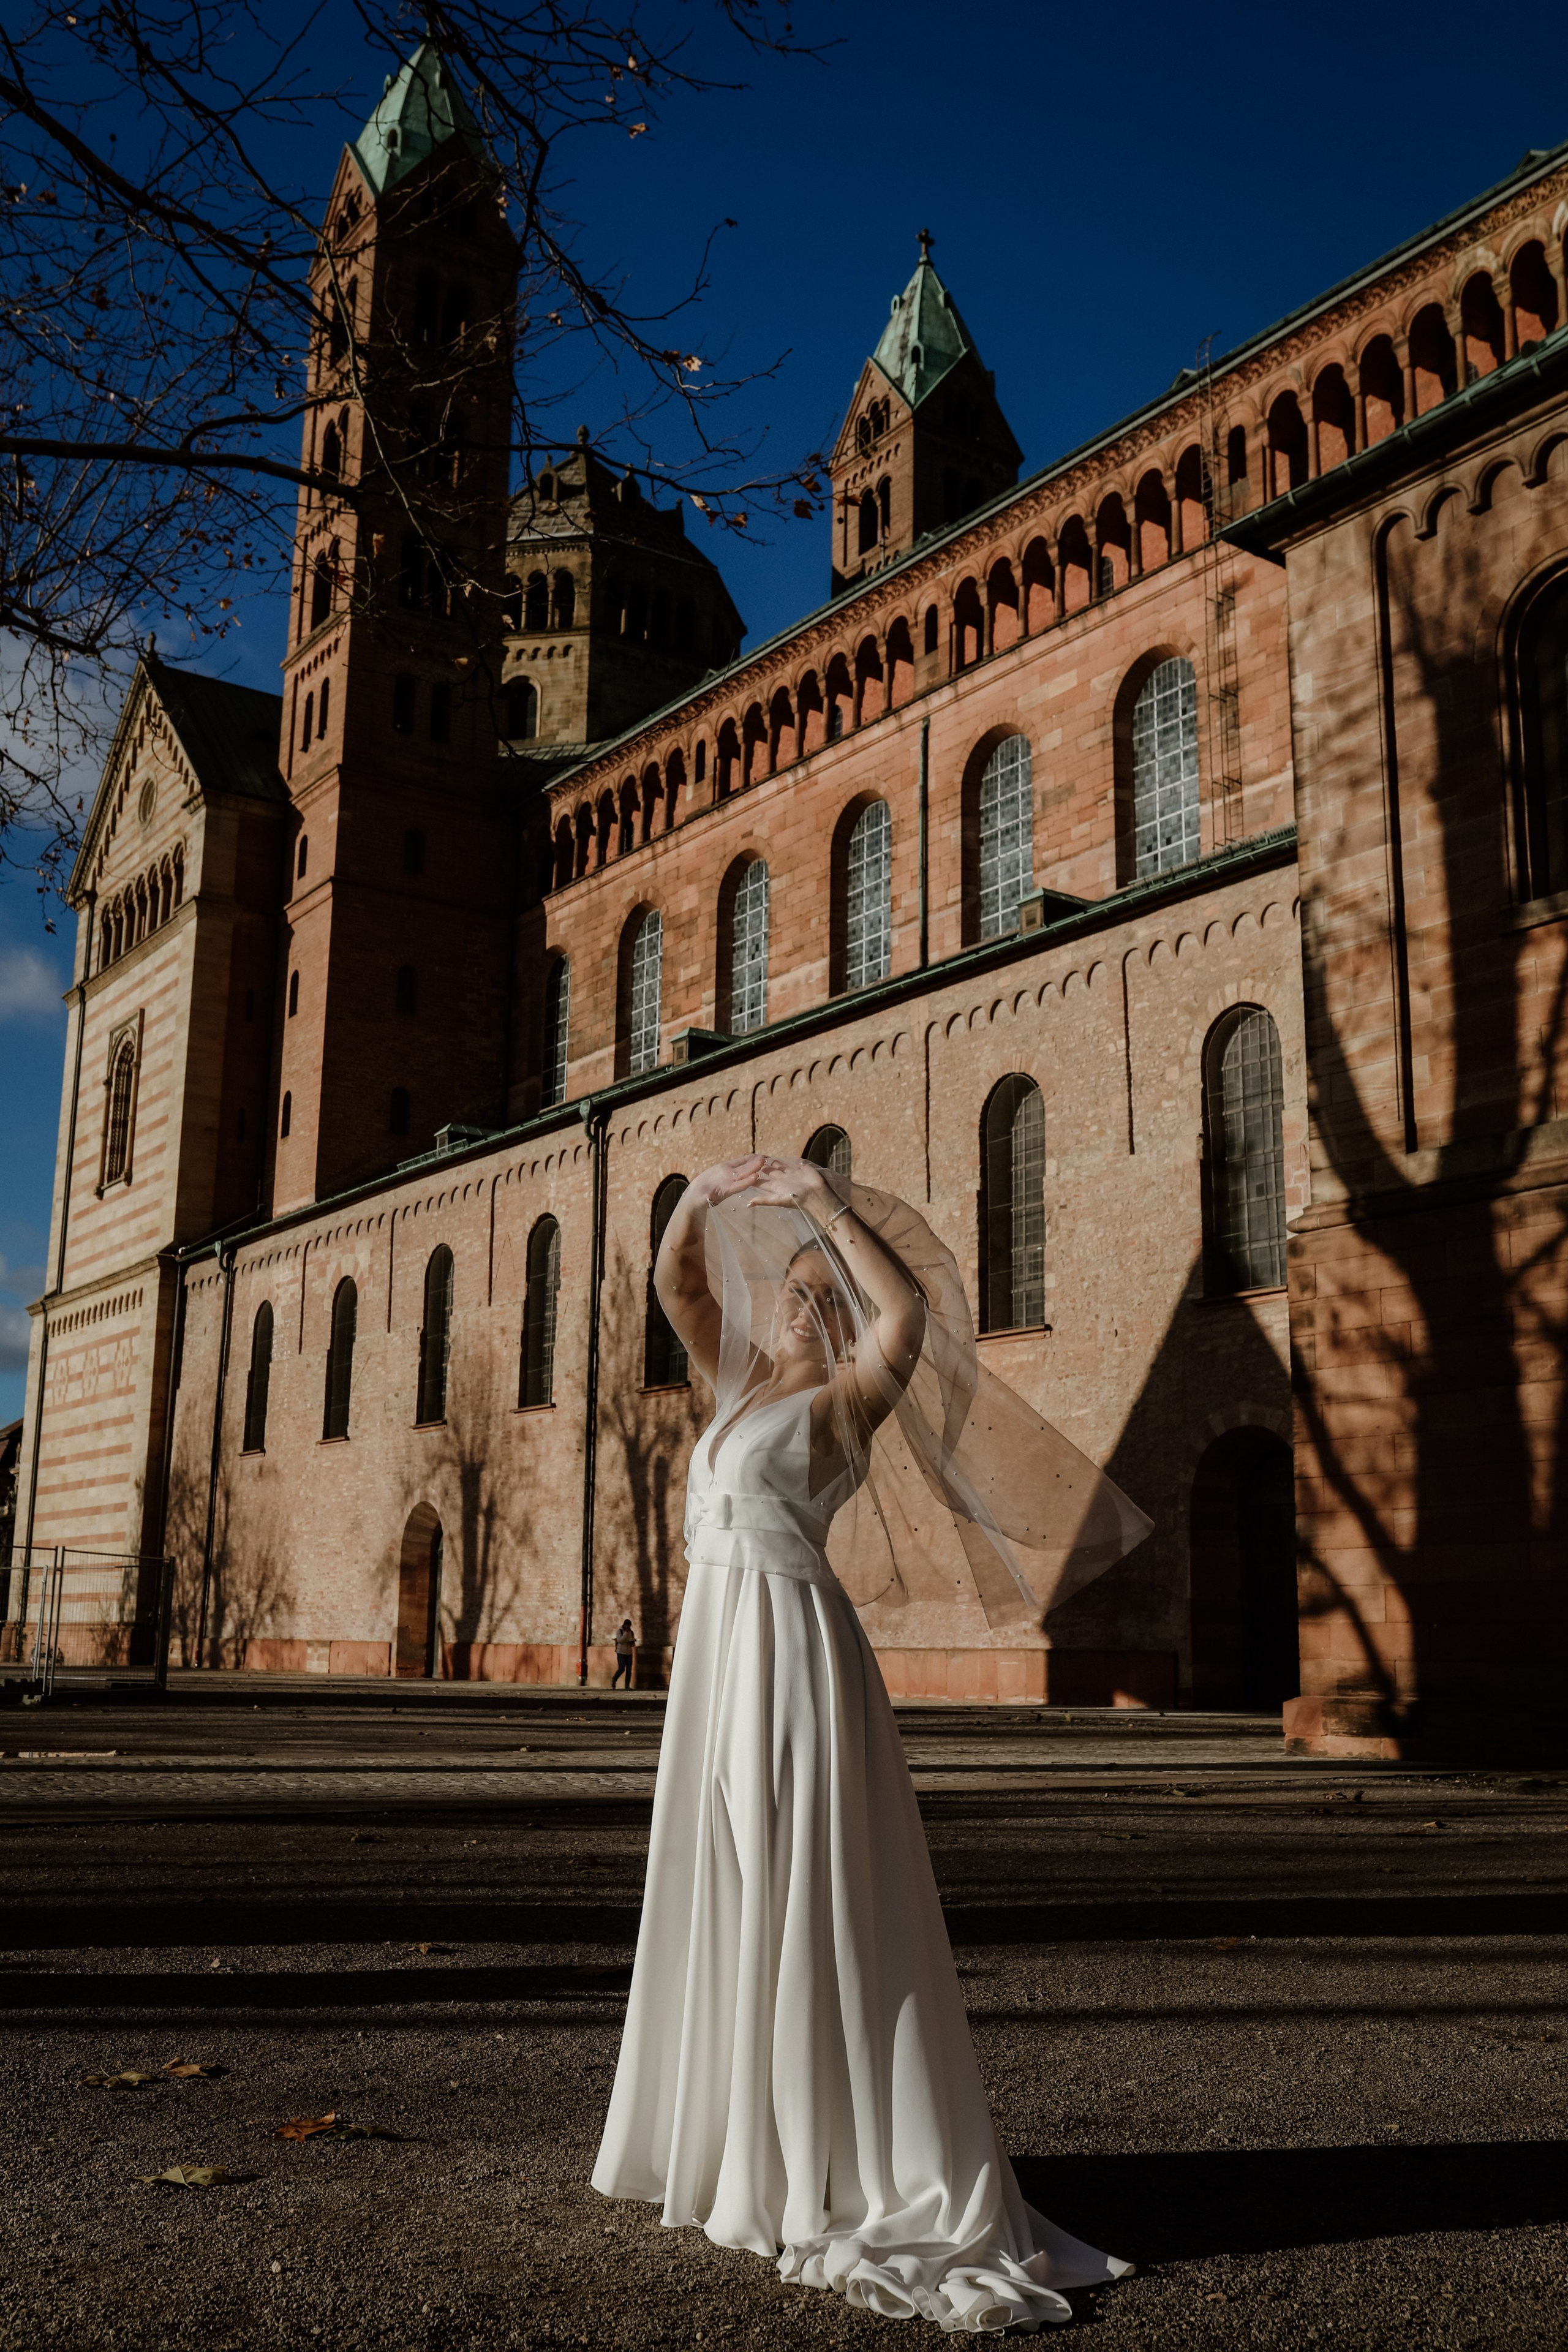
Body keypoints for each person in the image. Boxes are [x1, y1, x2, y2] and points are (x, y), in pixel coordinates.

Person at [592, 1153, 1148, 2332]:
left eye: (822, 1293)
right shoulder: (740, 1379)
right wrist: (700, 1195)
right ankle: (743, 2146)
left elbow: (908, 1314)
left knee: (801, 1882)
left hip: (789, 1651)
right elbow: (677, 1285)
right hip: (717, 1657)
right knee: (729, 1875)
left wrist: (821, 1203)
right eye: (792, 1290)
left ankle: (826, 2161)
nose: (803, 1304)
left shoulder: (849, 1400)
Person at [612, 1618, 636, 1690]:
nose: (628, 1627)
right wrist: (626, 1633)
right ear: (624, 1625)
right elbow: (620, 1641)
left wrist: (632, 1642)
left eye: (629, 1626)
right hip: (621, 1652)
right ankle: (614, 1679)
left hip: (629, 1653)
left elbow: (633, 1645)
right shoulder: (620, 1631)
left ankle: (627, 1686)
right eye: (627, 1625)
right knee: (622, 1669)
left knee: (629, 1670)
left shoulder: (631, 1632)